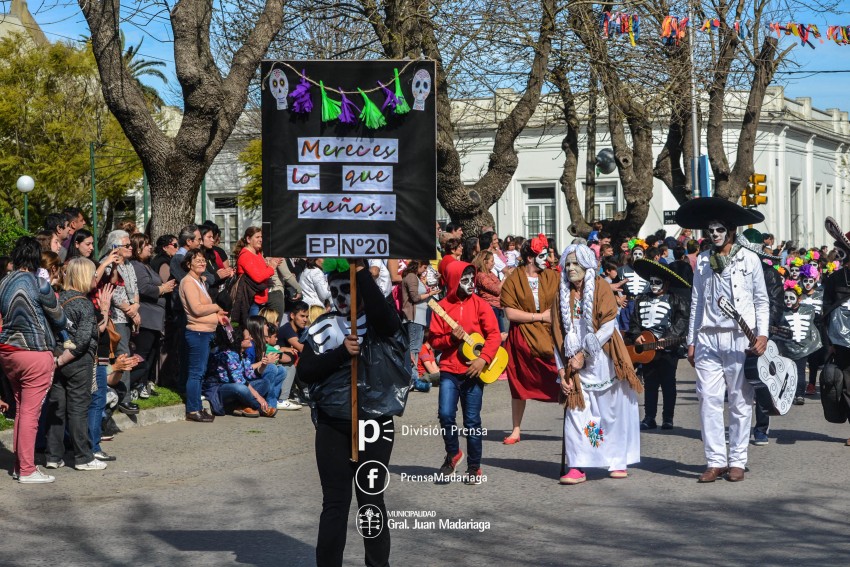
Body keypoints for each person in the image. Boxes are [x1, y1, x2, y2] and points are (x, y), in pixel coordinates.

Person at [299, 260, 409, 567]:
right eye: (335, 291)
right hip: (334, 425)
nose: (340, 297)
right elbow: (305, 371)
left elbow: (387, 321)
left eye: (347, 289)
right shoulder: (323, 326)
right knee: (335, 503)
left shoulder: (379, 323)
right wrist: (339, 353)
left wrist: (360, 269)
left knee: (371, 500)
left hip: (374, 424)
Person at [676, 197, 769, 483]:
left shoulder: (749, 258)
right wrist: (692, 340)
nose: (714, 235)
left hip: (739, 337)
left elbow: (761, 300)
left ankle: (738, 460)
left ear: (730, 230)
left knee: (741, 400)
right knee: (708, 400)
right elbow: (697, 302)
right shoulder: (703, 260)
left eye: (719, 230)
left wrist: (763, 334)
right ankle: (715, 460)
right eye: (710, 230)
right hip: (708, 338)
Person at [551, 244, 642, 485]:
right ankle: (578, 464)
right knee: (579, 415)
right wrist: (562, 370)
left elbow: (608, 327)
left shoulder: (601, 287)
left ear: (587, 266)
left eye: (575, 264)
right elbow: (557, 335)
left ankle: (616, 459)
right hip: (575, 365)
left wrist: (583, 354)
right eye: (567, 264)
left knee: (612, 414)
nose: (570, 268)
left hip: (605, 361)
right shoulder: (561, 294)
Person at [0, 236, 70, 483]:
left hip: (8, 352)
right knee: (30, 412)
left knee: (21, 409)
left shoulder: (3, 282)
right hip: (35, 351)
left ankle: (21, 465)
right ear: (35, 258)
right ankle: (28, 469)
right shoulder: (39, 283)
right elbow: (59, 318)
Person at [430, 260, 500, 485]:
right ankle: (453, 454)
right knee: (446, 414)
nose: (470, 284)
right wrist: (451, 338)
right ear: (453, 281)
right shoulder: (440, 307)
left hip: (474, 372)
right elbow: (434, 340)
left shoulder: (480, 304)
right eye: (465, 279)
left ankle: (474, 467)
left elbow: (494, 335)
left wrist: (483, 359)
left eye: (472, 279)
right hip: (449, 369)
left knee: (472, 421)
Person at [45, 258, 107, 471]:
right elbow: (82, 340)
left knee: (57, 409)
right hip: (78, 362)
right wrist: (64, 358)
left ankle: (53, 456)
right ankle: (84, 457)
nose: (95, 278)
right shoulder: (84, 303)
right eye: (92, 274)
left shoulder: (57, 299)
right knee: (79, 409)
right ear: (83, 276)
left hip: (56, 358)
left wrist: (56, 359)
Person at [500, 234, 560, 444]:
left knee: (564, 378)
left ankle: (577, 425)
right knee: (519, 385)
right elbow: (510, 313)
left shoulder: (553, 276)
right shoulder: (513, 279)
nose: (547, 260)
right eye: (542, 255)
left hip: (549, 337)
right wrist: (540, 316)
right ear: (529, 258)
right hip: (522, 339)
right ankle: (516, 430)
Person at [627, 259, 690, 430]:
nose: (654, 285)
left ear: (666, 284)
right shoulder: (641, 299)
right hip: (647, 348)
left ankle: (668, 418)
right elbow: (634, 322)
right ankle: (649, 417)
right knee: (650, 383)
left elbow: (682, 320)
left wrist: (669, 337)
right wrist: (637, 335)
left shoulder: (675, 300)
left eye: (658, 282)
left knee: (668, 383)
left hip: (667, 348)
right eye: (651, 282)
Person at [179, 249, 228, 422]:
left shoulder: (199, 281)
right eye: (197, 260)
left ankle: (197, 407)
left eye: (203, 260)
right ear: (188, 264)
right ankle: (193, 410)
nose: (202, 262)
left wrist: (218, 316)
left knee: (200, 372)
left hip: (206, 331)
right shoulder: (188, 282)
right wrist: (215, 308)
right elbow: (197, 309)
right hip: (197, 332)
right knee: (196, 373)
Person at [100, 230, 140, 414]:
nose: (131, 247)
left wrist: (136, 306)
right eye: (127, 245)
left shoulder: (130, 264)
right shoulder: (107, 264)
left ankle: (123, 394)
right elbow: (113, 293)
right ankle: (123, 398)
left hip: (129, 315)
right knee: (122, 355)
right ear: (115, 247)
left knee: (126, 354)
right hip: (116, 317)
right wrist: (131, 312)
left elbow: (135, 287)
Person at [130, 233, 175, 397]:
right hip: (146, 316)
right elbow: (143, 288)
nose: (150, 247)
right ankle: (135, 385)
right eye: (146, 244)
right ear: (138, 248)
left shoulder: (146, 265)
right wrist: (163, 289)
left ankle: (143, 384)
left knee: (152, 353)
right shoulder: (136, 265)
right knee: (143, 352)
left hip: (155, 317)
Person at [204, 323, 272, 417]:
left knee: (265, 383)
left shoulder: (243, 354)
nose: (251, 339)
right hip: (220, 387)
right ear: (240, 341)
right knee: (241, 389)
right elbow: (240, 381)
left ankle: (242, 405)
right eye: (248, 338)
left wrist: (263, 366)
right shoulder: (229, 354)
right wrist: (259, 397)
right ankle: (260, 407)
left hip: (237, 384)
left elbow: (249, 375)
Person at [823, 216, 850, 446]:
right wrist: (830, 340)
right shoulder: (833, 279)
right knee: (848, 383)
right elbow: (826, 310)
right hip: (842, 341)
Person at [776, 281, 822, 407]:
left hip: (803, 348)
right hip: (786, 347)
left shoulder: (809, 310)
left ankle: (799, 394)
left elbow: (819, 322)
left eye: (791, 298)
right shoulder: (780, 312)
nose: (788, 301)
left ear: (799, 299)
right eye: (786, 298)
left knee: (800, 371)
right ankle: (785, 394)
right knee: (786, 371)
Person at [400, 260, 439, 392]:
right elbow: (415, 297)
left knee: (414, 348)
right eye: (423, 267)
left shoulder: (414, 277)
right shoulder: (411, 276)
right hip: (414, 317)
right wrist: (430, 294)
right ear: (418, 265)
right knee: (414, 349)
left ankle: (413, 378)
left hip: (418, 318)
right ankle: (413, 379)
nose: (424, 270)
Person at [244, 315, 284, 416]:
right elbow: (246, 369)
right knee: (271, 368)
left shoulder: (260, 344)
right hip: (247, 384)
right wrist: (264, 362)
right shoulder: (250, 345)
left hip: (256, 378)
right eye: (265, 324)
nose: (268, 327)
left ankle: (271, 402)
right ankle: (269, 405)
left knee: (282, 371)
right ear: (259, 327)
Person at [234, 227, 278, 318]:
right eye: (257, 237)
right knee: (252, 330)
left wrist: (268, 265)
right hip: (250, 300)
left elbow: (261, 272)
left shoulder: (257, 254)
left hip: (259, 299)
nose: (261, 240)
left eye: (261, 237)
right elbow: (258, 277)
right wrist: (271, 267)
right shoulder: (245, 255)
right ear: (248, 239)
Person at [471, 250, 504, 338]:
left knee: (502, 334)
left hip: (498, 306)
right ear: (485, 262)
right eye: (492, 261)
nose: (493, 263)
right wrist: (505, 278)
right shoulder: (481, 276)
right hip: (491, 307)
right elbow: (496, 290)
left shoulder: (490, 273)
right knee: (497, 335)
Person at [299, 258, 330, 323]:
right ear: (315, 259)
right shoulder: (316, 272)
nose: (326, 261)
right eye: (323, 258)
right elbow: (324, 295)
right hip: (315, 309)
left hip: (307, 307)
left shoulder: (306, 270)